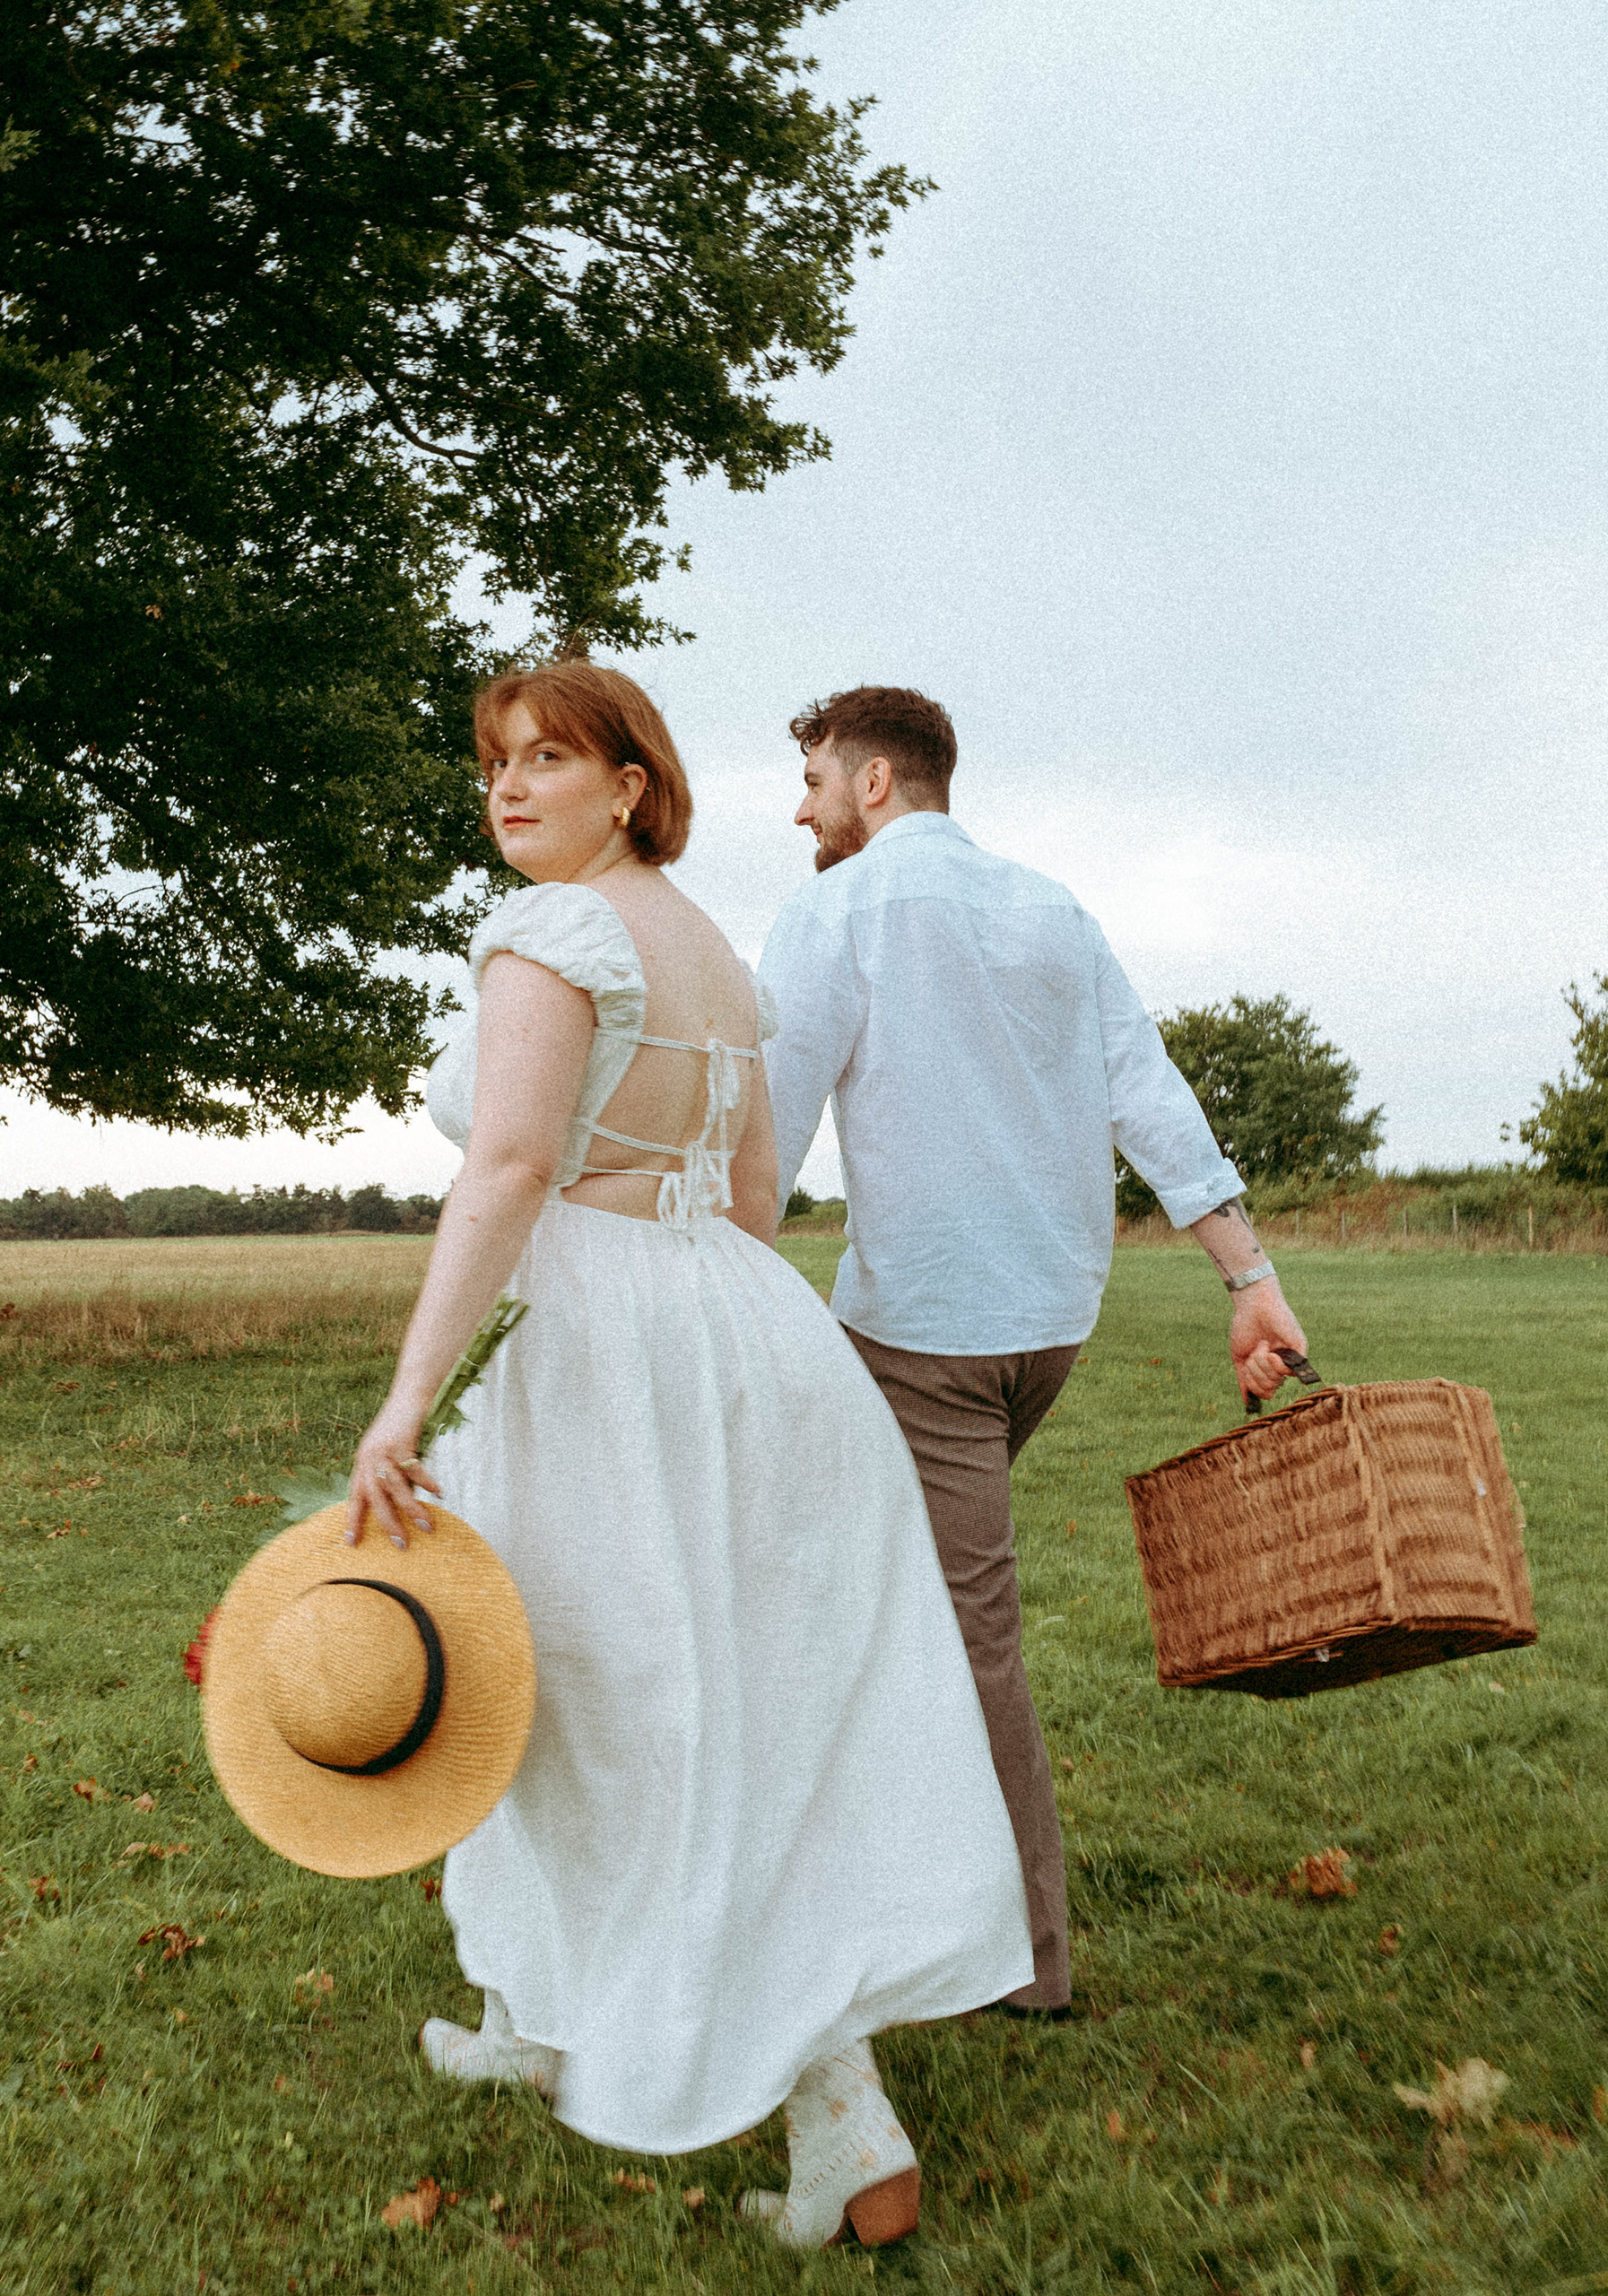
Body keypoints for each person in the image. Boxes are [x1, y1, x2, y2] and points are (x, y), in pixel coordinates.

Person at [343, 658, 1030, 2248]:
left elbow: (508, 1167)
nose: (511, 789)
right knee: (650, 1683)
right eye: (496, 764)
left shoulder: (554, 933)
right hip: (745, 1332)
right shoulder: (716, 951)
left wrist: (407, 1400)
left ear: (630, 786)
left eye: (550, 762)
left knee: (613, 1701)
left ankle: (832, 2106)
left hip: (606, 1344)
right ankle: (537, 1999)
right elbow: (752, 1196)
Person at [758, 684, 1316, 2015]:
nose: (803, 808)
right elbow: (1150, 1092)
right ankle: (894, 1892)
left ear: (879, 783)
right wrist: (1253, 1275)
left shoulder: (836, 913)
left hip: (923, 1339)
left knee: (958, 1628)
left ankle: (1026, 1963)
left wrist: (703, 1281)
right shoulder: (1053, 911)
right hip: (1050, 1326)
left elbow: (762, 1133)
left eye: (818, 781)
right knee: (873, 1600)